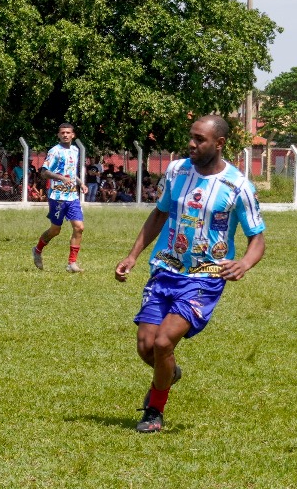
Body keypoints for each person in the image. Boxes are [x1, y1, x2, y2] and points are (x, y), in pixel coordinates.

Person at [114, 115, 266, 433]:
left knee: (163, 342)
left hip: (204, 277)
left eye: (200, 139)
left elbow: (257, 239)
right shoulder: (177, 171)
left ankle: (154, 411)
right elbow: (159, 214)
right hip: (165, 268)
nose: (191, 144)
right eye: (191, 137)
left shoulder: (238, 186)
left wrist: (244, 264)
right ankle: (169, 373)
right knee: (145, 346)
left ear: (219, 143)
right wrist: (132, 255)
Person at [31, 123, 85, 273]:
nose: (65, 135)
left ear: (73, 135)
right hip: (57, 197)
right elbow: (44, 172)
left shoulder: (75, 150)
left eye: (68, 132)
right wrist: (61, 178)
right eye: (62, 133)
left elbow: (71, 173)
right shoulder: (54, 151)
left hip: (72, 196)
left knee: (79, 227)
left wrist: (80, 183)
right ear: (59, 135)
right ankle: (37, 250)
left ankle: (72, 263)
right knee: (55, 230)